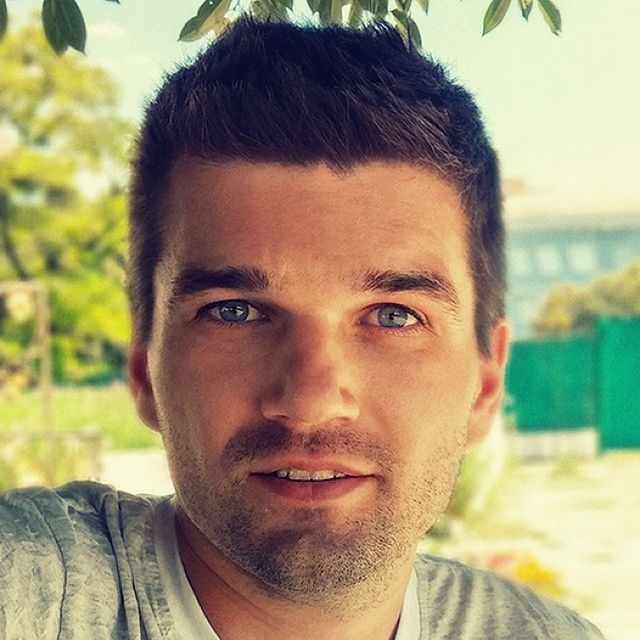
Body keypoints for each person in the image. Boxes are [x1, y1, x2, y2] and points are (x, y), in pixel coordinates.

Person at [0, 17, 604, 640]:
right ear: (143, 366)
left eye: (394, 316)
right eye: (234, 310)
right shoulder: (37, 592)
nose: (311, 402)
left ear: (484, 384)